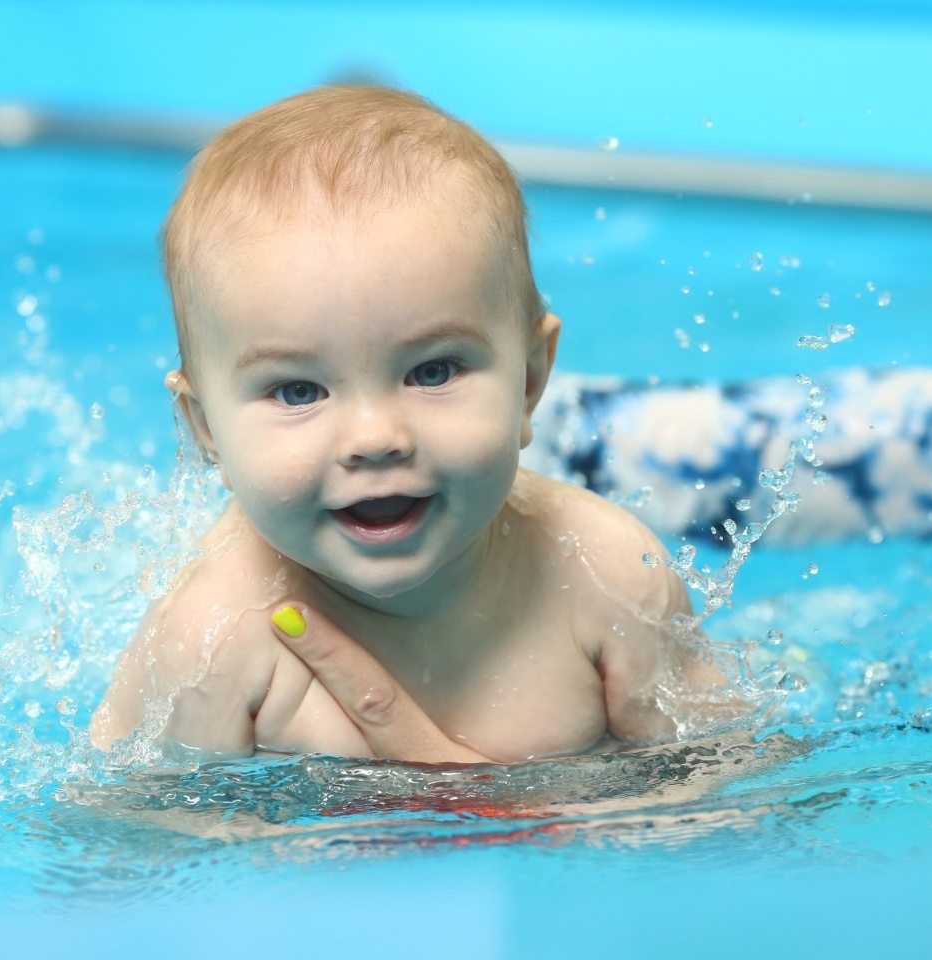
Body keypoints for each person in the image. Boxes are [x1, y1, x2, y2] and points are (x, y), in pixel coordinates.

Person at [89, 85, 733, 764]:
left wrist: (510, 820)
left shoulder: (606, 575)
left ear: (530, 382)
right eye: (298, 390)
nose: (374, 437)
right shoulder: (211, 642)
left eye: (433, 372)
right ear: (206, 429)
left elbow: (712, 803)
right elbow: (148, 852)